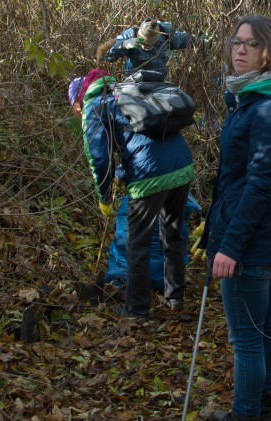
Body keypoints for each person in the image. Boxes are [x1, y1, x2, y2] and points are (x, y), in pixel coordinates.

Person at [196, 15, 271, 421]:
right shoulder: (254, 100)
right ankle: (260, 412)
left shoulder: (266, 109)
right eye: (236, 42)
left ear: (269, 53)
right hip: (258, 238)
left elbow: (260, 187)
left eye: (250, 44)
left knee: (246, 339)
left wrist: (229, 246)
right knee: (262, 332)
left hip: (250, 241)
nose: (239, 50)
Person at [69, 68, 195, 319]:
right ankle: (175, 298)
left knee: (137, 245)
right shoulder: (124, 93)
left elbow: (99, 158)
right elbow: (140, 138)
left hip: (149, 174)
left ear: (78, 100)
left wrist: (104, 197)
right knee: (171, 234)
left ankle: (136, 310)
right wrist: (123, 173)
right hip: (182, 164)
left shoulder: (94, 107)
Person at [106, 18, 197, 78]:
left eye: (149, 45)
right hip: (133, 83)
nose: (145, 47)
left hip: (159, 82)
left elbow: (187, 39)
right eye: (142, 43)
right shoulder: (130, 35)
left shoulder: (166, 34)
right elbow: (108, 57)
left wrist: (204, 41)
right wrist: (123, 45)